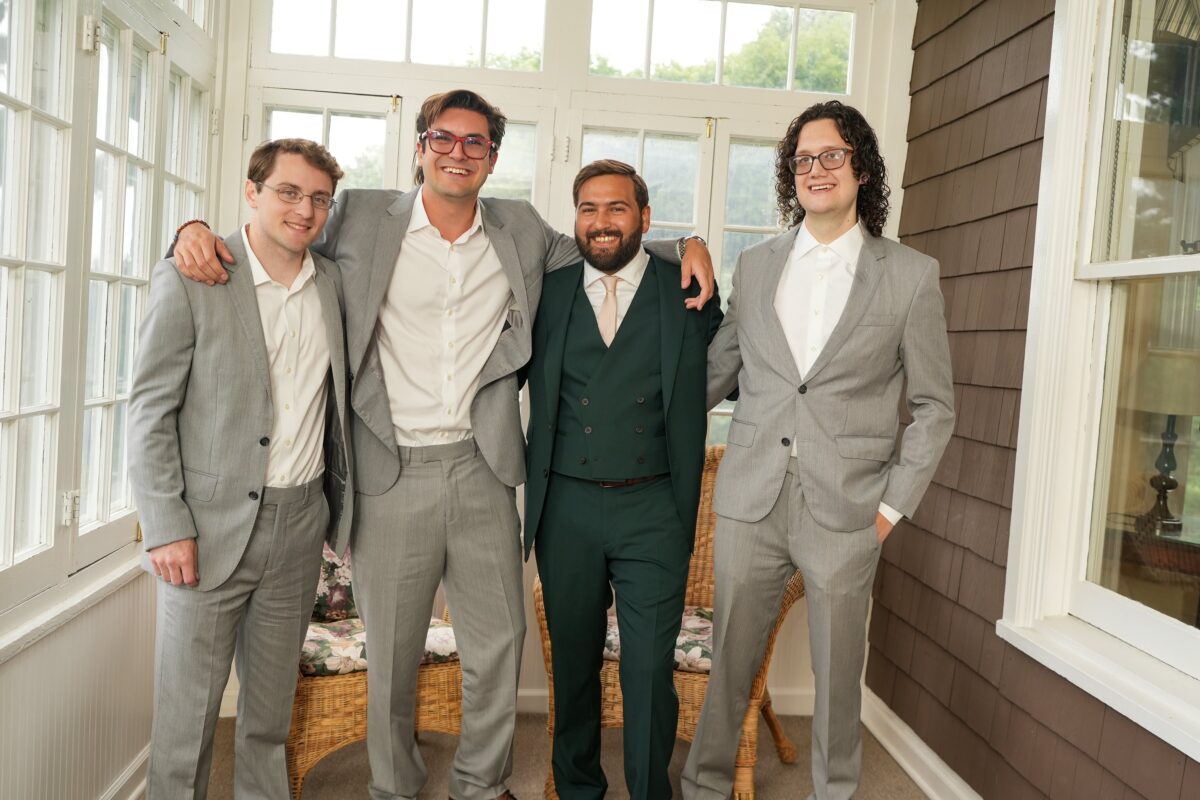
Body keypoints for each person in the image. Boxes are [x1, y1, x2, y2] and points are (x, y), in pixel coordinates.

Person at [170, 90, 715, 800]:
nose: (459, 152)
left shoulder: (521, 228)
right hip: (389, 470)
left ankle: (480, 786)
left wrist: (688, 244)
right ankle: (395, 787)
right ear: (421, 146)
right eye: (444, 139)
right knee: (393, 653)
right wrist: (191, 231)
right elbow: (277, 235)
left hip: (483, 467)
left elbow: (606, 250)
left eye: (475, 142)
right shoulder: (357, 215)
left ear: (493, 157)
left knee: (499, 643)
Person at [681, 101, 955, 800]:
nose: (816, 169)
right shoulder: (756, 266)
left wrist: (890, 510)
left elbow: (934, 408)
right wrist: (672, 249)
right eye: (803, 159)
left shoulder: (911, 275)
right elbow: (714, 374)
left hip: (850, 508)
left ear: (861, 168)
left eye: (832, 154)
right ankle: (704, 786)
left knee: (836, 678)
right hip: (751, 496)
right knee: (728, 665)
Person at [129, 138, 353, 799]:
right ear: (252, 192)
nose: (304, 209)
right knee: (186, 718)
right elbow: (150, 410)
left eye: (319, 198)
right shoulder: (192, 277)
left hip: (299, 524)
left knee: (268, 718)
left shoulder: (334, 283)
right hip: (204, 530)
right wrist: (166, 525)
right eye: (288, 192)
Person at [523, 160, 722, 799]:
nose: (601, 222)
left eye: (616, 208)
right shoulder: (547, 291)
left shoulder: (687, 288)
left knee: (648, 670)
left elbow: (739, 368)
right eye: (589, 208)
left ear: (644, 217)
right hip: (566, 508)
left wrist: (692, 244)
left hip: (654, 508)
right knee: (573, 667)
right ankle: (579, 789)